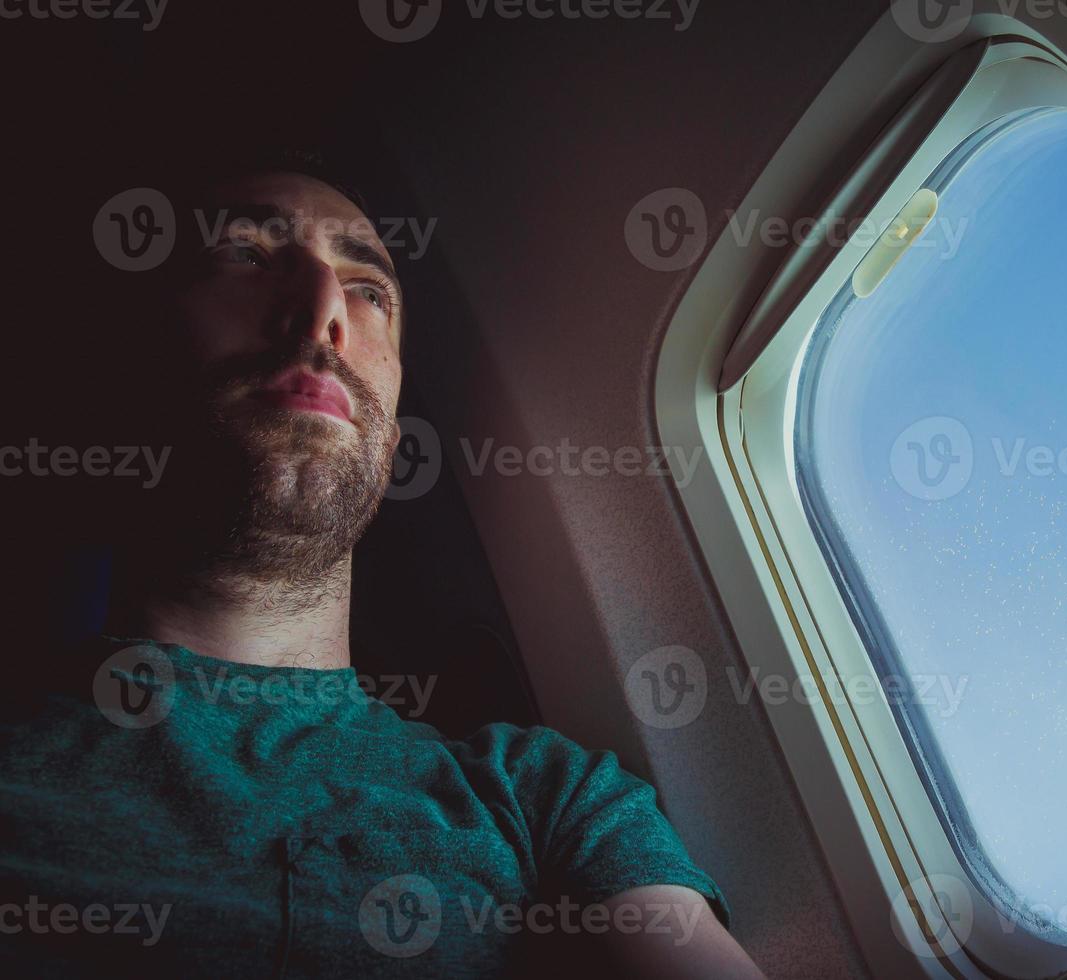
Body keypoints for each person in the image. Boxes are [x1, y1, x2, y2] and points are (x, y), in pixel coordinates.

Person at [0, 153, 766, 978]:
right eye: (245, 253)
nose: (324, 308)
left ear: (390, 447)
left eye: (371, 291)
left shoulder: (543, 796)